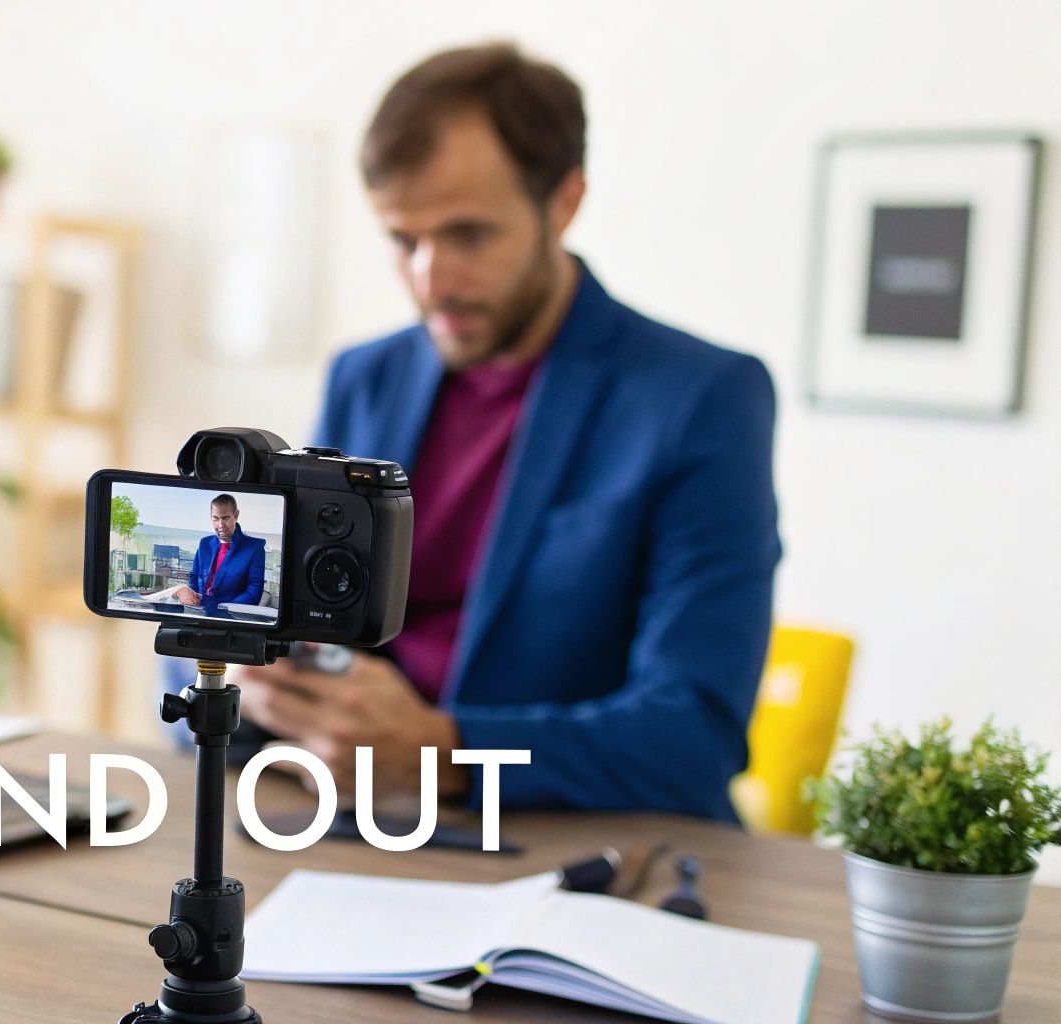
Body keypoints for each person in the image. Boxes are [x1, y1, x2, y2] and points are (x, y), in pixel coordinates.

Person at [223, 42, 781, 823]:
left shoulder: (700, 398)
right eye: (402, 239)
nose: (431, 279)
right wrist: (245, 681)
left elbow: (694, 737)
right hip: (351, 824)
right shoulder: (365, 377)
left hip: (575, 851)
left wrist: (444, 753)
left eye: (469, 235)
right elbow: (268, 623)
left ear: (565, 202)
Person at [169, 494, 266, 615]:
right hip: (199, 614)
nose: (220, 525)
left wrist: (223, 612)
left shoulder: (254, 547)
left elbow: (254, 591)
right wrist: (191, 602)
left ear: (236, 516)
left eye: (225, 518)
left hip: (232, 619)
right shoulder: (204, 543)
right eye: (215, 518)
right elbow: (194, 578)